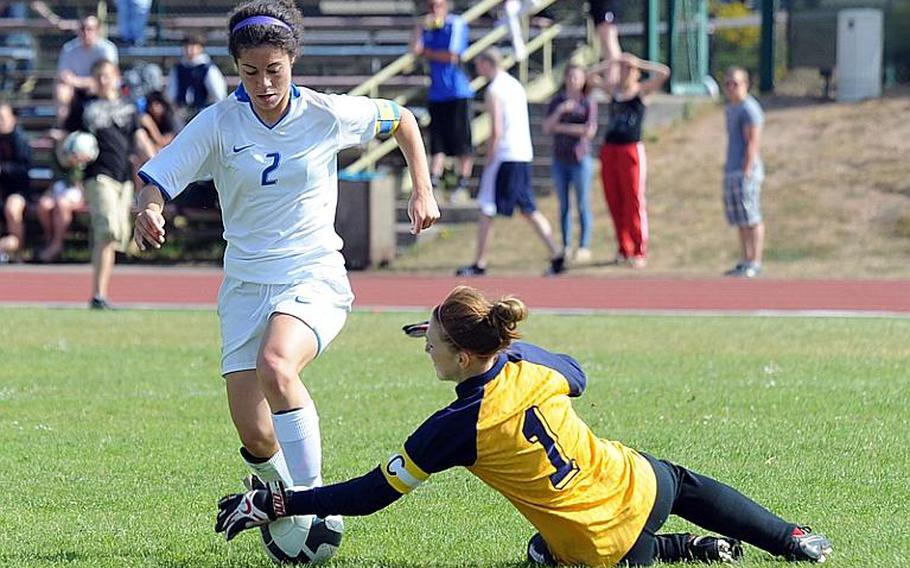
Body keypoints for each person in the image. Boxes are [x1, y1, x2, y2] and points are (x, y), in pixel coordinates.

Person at [215, 284, 834, 567]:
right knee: (685, 484)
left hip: (596, 546)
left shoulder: (455, 427)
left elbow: (370, 496)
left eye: (427, 340)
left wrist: (279, 500)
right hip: (639, 484)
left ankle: (672, 553)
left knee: (547, 551)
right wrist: (518, 351)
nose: (423, 348)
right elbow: (579, 375)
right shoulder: (527, 361)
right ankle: (790, 539)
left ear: (461, 357)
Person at [133, 0, 439, 499]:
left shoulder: (325, 113)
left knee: (277, 365)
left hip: (311, 275)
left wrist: (422, 189)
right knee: (255, 435)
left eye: (274, 70)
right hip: (243, 285)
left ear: (292, 61)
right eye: (250, 72)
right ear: (236, 68)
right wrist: (149, 209)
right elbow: (156, 179)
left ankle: (314, 503)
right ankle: (284, 507)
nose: (264, 83)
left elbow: (402, 119)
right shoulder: (218, 123)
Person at [456, 48, 564, 277]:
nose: (477, 70)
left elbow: (496, 129)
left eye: (479, 64)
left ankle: (479, 262)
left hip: (504, 155)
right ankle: (556, 252)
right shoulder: (514, 85)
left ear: (486, 63)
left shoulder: (495, 90)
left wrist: (489, 158)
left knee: (487, 206)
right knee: (526, 207)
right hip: (522, 153)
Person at [64, 59, 142, 309]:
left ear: (116, 76)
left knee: (116, 236)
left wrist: (158, 162)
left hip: (124, 179)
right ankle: (97, 293)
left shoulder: (128, 108)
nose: (103, 80)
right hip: (98, 176)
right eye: (98, 76)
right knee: (107, 229)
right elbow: (65, 140)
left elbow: (138, 139)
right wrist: (69, 155)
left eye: (107, 75)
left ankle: (101, 295)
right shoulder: (83, 107)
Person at [589, 53, 669, 268]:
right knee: (614, 200)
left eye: (629, 69)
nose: (625, 72)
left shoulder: (640, 92)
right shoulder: (613, 91)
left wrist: (638, 62)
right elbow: (589, 77)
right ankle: (623, 248)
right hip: (610, 150)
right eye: (623, 69)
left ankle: (638, 249)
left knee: (633, 199)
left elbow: (664, 73)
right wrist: (612, 62)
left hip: (630, 149)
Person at [410, 0, 474, 202]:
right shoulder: (429, 28)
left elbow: (452, 56)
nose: (433, 10)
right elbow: (415, 49)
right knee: (437, 142)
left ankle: (462, 181)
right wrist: (419, 29)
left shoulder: (455, 23)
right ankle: (434, 180)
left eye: (436, 6)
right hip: (437, 93)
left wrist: (427, 53)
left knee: (461, 141)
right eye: (429, 6)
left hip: (457, 92)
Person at [542, 63, 598, 264]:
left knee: (582, 203)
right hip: (560, 160)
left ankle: (583, 246)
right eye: (571, 76)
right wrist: (560, 112)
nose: (574, 81)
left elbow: (589, 131)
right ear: (565, 78)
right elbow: (547, 127)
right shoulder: (557, 102)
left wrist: (562, 127)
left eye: (578, 77)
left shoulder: (588, 103)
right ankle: (566, 245)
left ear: (583, 80)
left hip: (580, 159)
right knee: (564, 205)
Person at [722, 67, 765, 278]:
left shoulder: (749, 108)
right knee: (740, 218)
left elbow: (752, 142)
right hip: (732, 168)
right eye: (727, 84)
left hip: (745, 170)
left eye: (735, 84)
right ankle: (745, 258)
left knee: (751, 216)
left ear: (745, 84)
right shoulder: (731, 109)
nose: (731, 88)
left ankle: (755, 261)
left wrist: (746, 170)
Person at [54, 15, 119, 126]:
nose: (85, 33)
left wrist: (78, 81)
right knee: (61, 90)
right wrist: (82, 82)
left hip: (99, 86)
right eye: (82, 29)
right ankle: (63, 126)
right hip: (77, 90)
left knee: (105, 83)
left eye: (89, 29)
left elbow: (109, 75)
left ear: (97, 30)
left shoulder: (107, 49)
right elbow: (64, 76)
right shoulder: (69, 49)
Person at [166, 33, 228, 119]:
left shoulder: (208, 69)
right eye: (186, 46)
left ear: (200, 48)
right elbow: (171, 94)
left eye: (193, 46)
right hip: (182, 112)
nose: (189, 50)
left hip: (203, 112)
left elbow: (218, 94)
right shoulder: (178, 69)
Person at [0, 102, 32, 262]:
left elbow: (22, 169)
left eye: (2, 118)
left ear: (13, 119)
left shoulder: (20, 139)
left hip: (17, 191)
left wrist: (3, 169)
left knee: (12, 208)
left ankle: (17, 252)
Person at [589, 0, 623, 87]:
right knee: (605, 42)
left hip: (606, 5)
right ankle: (612, 79)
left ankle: (614, 80)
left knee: (608, 39)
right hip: (600, 6)